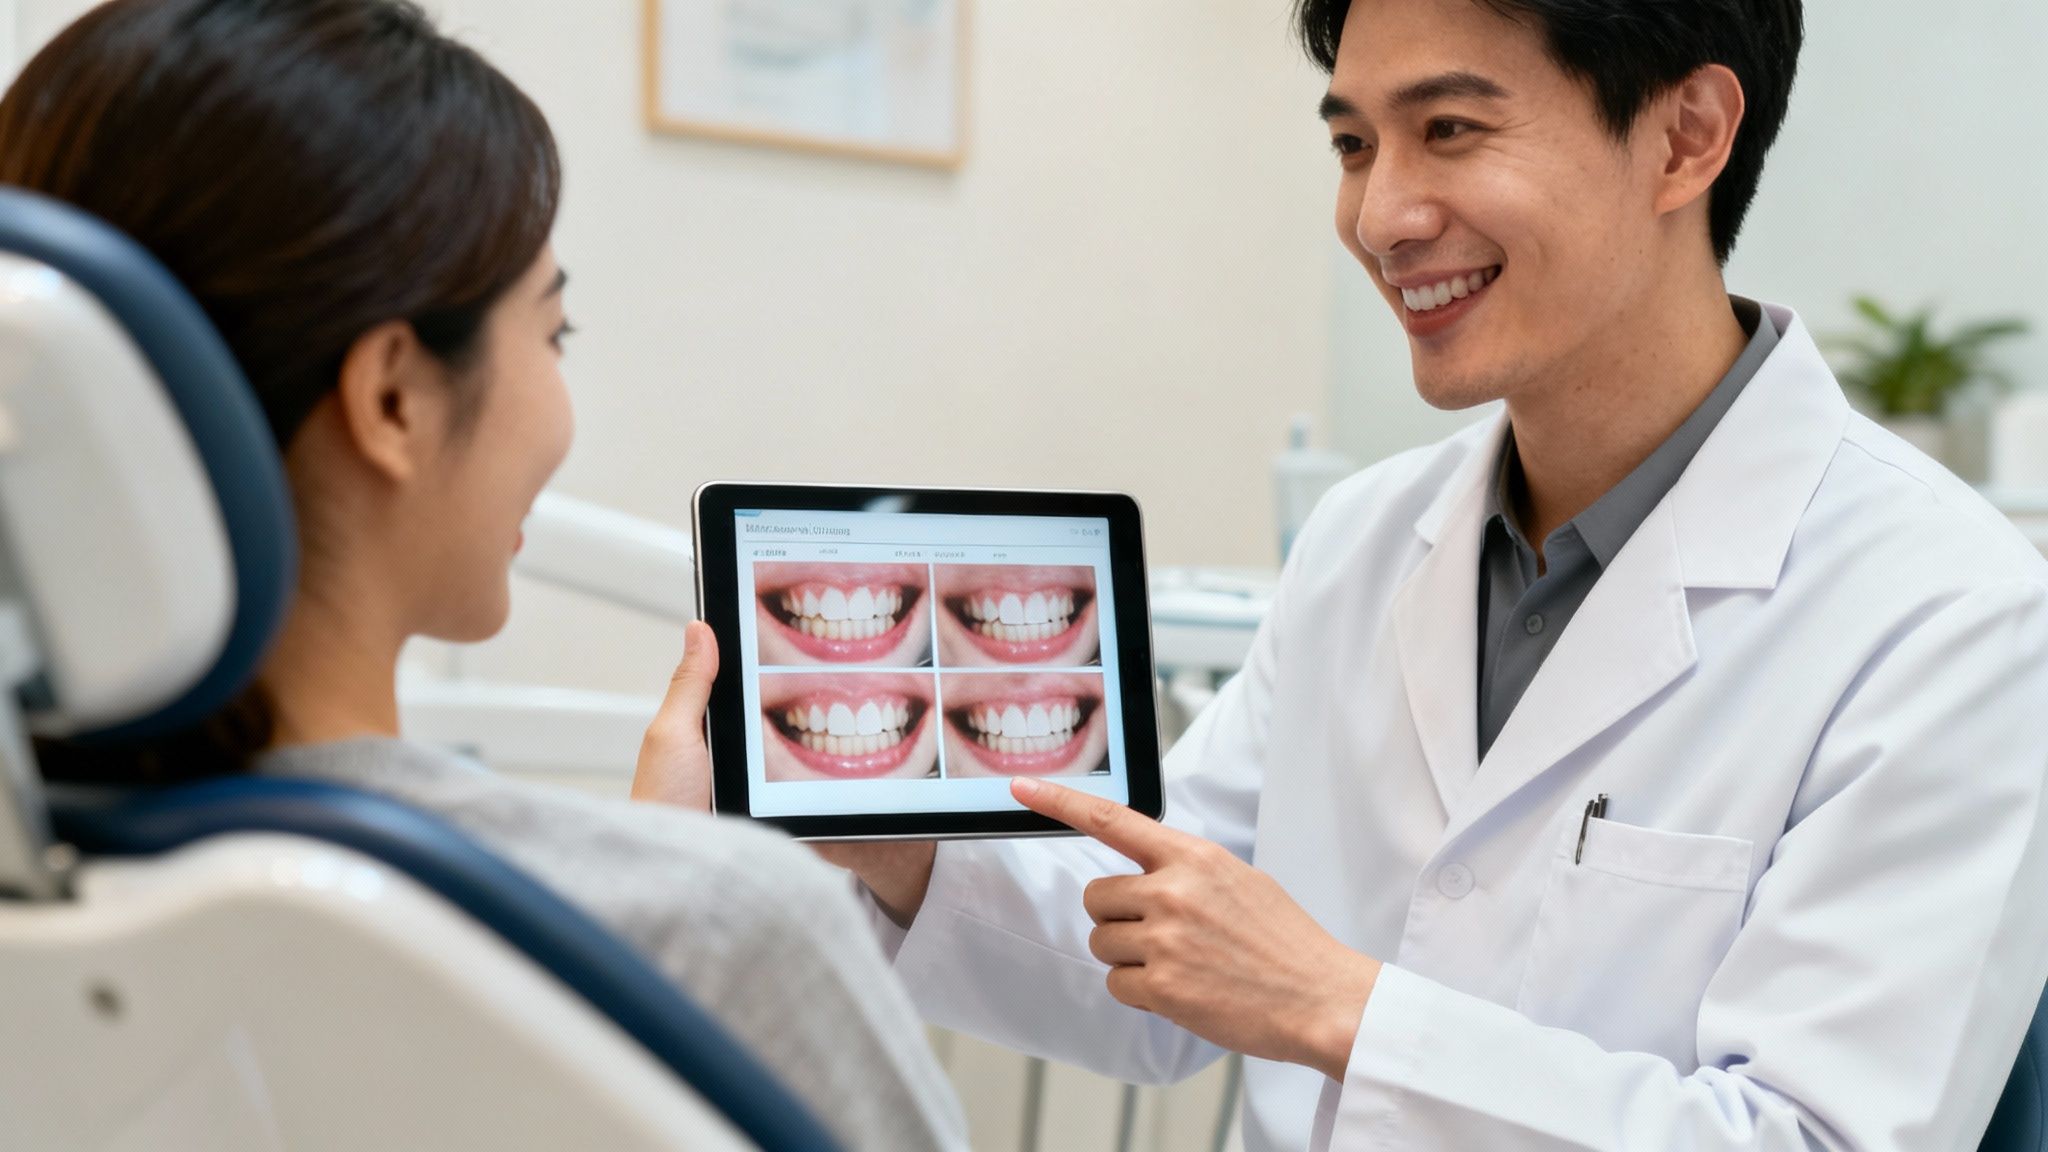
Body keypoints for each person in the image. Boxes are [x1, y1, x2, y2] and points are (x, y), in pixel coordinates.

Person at [651, 0, 2048, 1148]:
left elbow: (1820, 1138)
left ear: (1686, 136)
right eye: (1352, 143)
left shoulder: (1949, 616)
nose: (1382, 215)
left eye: (1449, 130)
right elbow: (1160, 957)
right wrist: (883, 840)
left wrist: (1341, 1011)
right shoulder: (1366, 543)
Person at [8, 3, 966, 1149]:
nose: (561, 406)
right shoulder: (730, 930)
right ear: (395, 399)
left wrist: (629, 853)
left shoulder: (50, 891)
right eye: (551, 332)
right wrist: (663, 878)